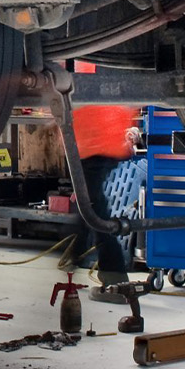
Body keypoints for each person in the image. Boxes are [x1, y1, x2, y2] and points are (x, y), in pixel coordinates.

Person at [67, 103, 139, 303]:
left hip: (92, 145)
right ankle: (75, 253)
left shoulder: (80, 83)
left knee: (93, 211)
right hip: (107, 143)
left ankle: (115, 280)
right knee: (91, 206)